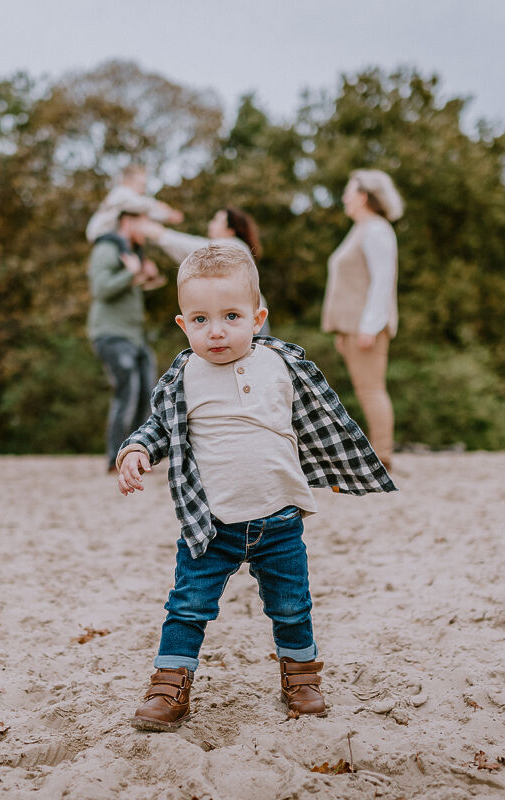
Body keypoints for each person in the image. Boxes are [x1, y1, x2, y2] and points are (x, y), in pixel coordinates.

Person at [115, 243, 395, 731]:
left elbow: (322, 419)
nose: (216, 330)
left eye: (230, 316)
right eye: (200, 320)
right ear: (183, 324)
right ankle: (170, 685)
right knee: (187, 606)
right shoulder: (183, 376)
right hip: (210, 524)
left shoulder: (282, 364)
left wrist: (341, 467)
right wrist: (137, 450)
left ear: (257, 317)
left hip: (279, 518)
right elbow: (158, 427)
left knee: (291, 605)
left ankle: (302, 678)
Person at [322, 169, 403, 471]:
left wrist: (369, 327)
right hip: (352, 327)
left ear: (364, 196)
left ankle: (382, 455)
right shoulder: (361, 229)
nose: (344, 197)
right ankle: (377, 452)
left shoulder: (376, 230)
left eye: (349, 191)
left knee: (371, 389)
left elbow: (382, 282)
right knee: (365, 389)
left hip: (365, 327)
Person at [88, 209, 166, 472]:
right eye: (145, 223)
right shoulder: (107, 248)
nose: (148, 230)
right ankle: (115, 458)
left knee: (148, 393)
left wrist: (147, 276)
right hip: (111, 333)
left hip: (135, 335)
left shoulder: (133, 252)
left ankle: (138, 454)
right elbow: (100, 288)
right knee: (128, 391)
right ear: (128, 221)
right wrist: (131, 274)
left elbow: (133, 285)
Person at [145, 206, 271, 336]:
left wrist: (160, 234)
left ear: (230, 230)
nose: (211, 224)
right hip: (243, 317)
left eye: (216, 221)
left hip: (243, 319)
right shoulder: (235, 247)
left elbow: (192, 248)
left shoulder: (232, 245)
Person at [85, 163, 184, 243]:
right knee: (123, 245)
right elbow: (140, 204)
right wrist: (157, 205)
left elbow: (145, 213)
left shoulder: (131, 202)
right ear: (127, 181)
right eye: (141, 185)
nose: (143, 190)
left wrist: (166, 216)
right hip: (101, 233)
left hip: (110, 234)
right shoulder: (120, 193)